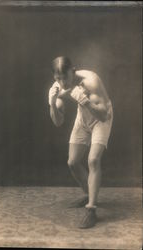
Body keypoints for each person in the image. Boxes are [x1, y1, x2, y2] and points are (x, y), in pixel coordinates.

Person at [48, 56, 113, 228]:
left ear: (73, 71)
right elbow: (58, 122)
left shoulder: (91, 81)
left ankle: (91, 209)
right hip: (83, 119)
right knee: (73, 162)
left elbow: (103, 115)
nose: (62, 82)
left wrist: (83, 100)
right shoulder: (58, 87)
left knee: (93, 160)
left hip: (100, 118)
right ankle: (89, 193)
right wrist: (53, 104)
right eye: (57, 78)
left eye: (65, 77)